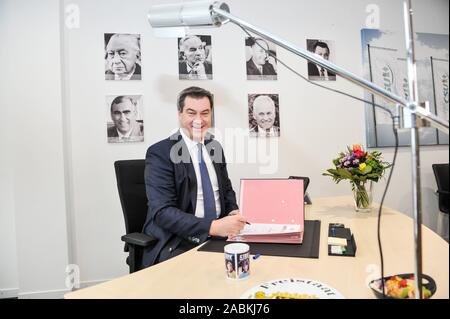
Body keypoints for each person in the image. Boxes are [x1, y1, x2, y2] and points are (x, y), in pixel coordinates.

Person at [142, 86, 247, 268]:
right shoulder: (160, 153)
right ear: (180, 114)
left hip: (219, 235)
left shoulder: (215, 147)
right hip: (178, 239)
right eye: (191, 113)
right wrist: (211, 227)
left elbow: (226, 191)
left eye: (205, 113)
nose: (199, 120)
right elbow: (162, 212)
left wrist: (232, 212)